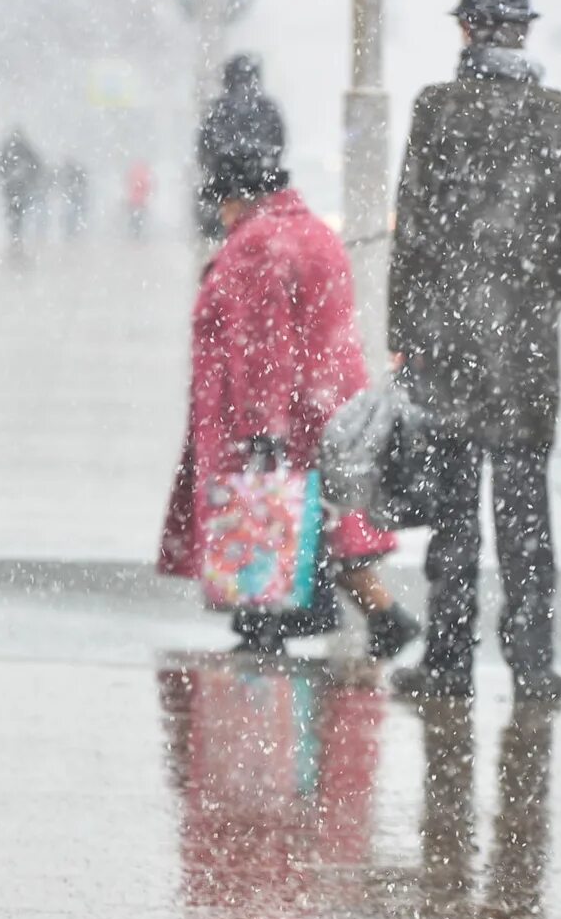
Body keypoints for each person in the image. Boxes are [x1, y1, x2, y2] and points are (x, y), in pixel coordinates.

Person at [387, 0, 561, 704]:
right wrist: (542, 294)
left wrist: (405, 334)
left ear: (465, 29)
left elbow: (411, 233)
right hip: (525, 353)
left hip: (449, 346)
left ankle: (448, 661)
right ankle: (534, 665)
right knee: (525, 517)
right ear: (523, 30)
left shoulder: (436, 110)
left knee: (453, 516)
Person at [157, 135, 422, 661]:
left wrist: (261, 425)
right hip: (323, 401)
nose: (221, 213)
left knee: (266, 516)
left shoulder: (260, 244)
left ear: (239, 196)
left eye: (223, 201)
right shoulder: (313, 231)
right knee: (322, 524)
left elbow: (262, 344)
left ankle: (266, 622)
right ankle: (385, 619)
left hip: (279, 410)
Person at [195, 54, 286, 245]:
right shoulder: (268, 109)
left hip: (225, 198)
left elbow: (204, 151)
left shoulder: (218, 110)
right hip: (263, 197)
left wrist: (221, 178)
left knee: (221, 250)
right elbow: (279, 146)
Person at [0, 127, 44, 257]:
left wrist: (7, 176)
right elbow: (37, 165)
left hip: (15, 189)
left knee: (14, 215)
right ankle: (16, 240)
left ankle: (15, 240)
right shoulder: (22, 150)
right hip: (16, 189)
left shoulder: (9, 149)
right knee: (16, 215)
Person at [55, 159, 91, 238]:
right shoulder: (76, 173)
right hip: (72, 198)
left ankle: (72, 233)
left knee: (72, 216)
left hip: (74, 198)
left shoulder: (73, 173)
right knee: (72, 217)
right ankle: (72, 233)